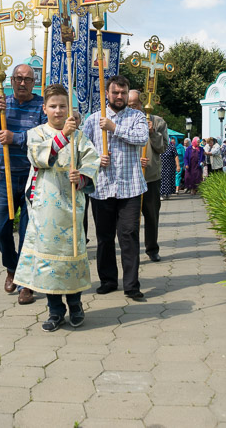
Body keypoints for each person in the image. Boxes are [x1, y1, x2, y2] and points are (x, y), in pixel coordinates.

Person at [13, 84, 99, 332]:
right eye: (53, 106)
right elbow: (40, 159)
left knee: (70, 255)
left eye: (63, 106)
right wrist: (63, 136)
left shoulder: (80, 137)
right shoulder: (36, 134)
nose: (58, 111)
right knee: (48, 261)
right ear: (45, 109)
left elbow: (91, 161)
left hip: (71, 205)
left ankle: (76, 305)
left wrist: (81, 177)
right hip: (45, 206)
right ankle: (54, 311)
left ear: (69, 109)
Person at [0, 64, 46, 305]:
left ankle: (27, 285)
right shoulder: (1, 104)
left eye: (27, 79)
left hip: (32, 177)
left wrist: (16, 138)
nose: (22, 83)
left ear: (34, 82)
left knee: (29, 233)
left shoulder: (41, 106)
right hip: (4, 177)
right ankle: (12, 267)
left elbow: (44, 139)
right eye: (18, 78)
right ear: (10, 80)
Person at [81, 75, 149, 301]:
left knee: (128, 235)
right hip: (102, 186)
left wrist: (114, 127)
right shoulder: (93, 120)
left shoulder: (136, 116)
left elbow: (141, 138)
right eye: (115, 92)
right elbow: (82, 149)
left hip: (130, 186)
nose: (119, 96)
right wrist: (96, 160)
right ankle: (108, 280)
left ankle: (131, 285)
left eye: (123, 92)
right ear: (107, 94)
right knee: (104, 236)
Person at [127, 89, 169, 263]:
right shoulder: (124, 121)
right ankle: (131, 250)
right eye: (129, 105)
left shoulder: (157, 122)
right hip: (129, 178)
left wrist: (153, 133)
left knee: (151, 215)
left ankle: (152, 248)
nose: (133, 108)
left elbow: (163, 148)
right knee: (130, 218)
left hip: (150, 177)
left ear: (143, 104)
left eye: (135, 105)